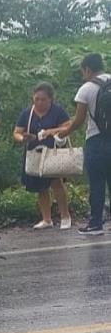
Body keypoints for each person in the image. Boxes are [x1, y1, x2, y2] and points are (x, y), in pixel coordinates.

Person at [54, 53, 111, 236]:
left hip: (96, 140)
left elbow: (78, 120)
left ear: (87, 69)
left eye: (82, 71)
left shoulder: (86, 88)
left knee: (96, 183)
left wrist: (63, 133)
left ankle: (95, 225)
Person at [13, 82, 72, 230]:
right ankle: (47, 218)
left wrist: (51, 131)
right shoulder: (27, 113)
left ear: (50, 99)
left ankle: (65, 215)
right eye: (37, 99)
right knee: (40, 186)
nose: (39, 102)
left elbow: (68, 126)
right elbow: (16, 132)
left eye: (43, 99)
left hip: (52, 151)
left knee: (56, 182)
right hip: (34, 152)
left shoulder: (57, 111)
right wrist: (22, 138)